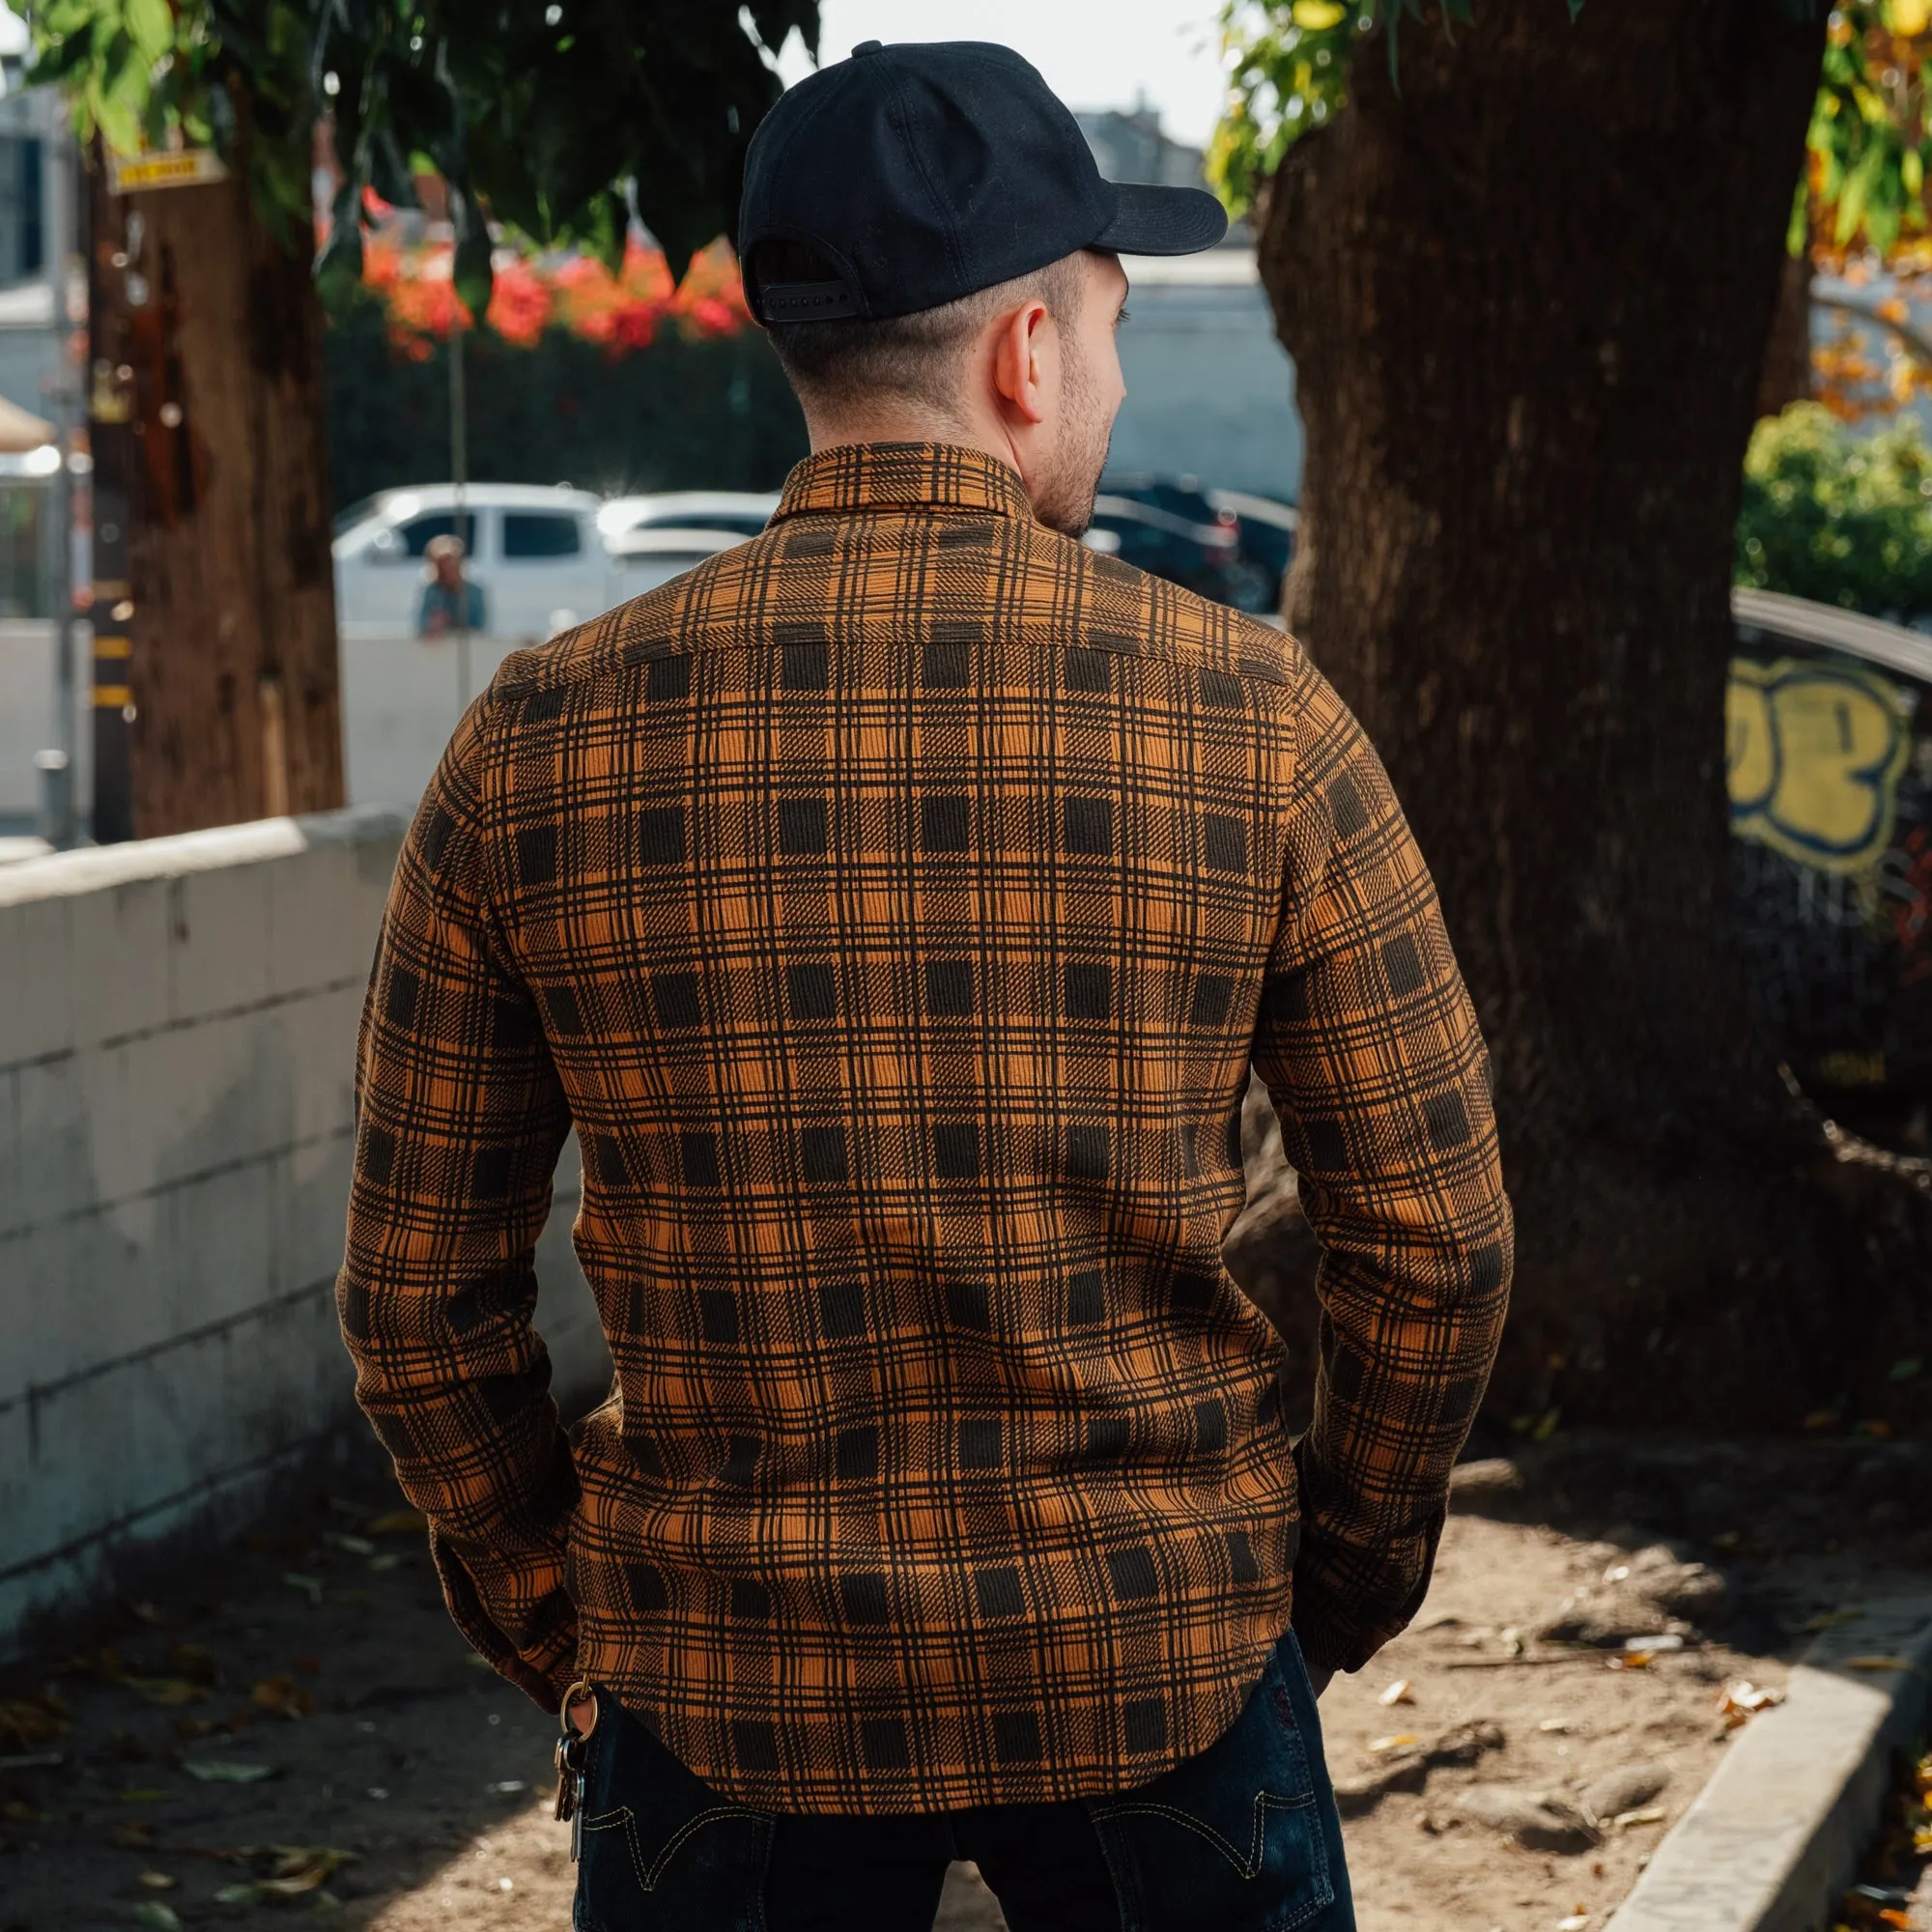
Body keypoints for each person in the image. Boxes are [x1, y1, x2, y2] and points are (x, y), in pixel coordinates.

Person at [337, 39, 1511, 1932]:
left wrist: (571, 1616)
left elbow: (413, 1301)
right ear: (1026, 354)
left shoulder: (536, 742)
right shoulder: (1255, 718)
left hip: (720, 1685)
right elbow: (1434, 1237)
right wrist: (1327, 1582)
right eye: (1111, 327)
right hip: (1159, 1661)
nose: (1113, 382)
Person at [415, 531, 486, 637]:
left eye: (452, 565)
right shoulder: (431, 591)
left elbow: (481, 626)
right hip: (437, 647)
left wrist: (454, 625)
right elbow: (420, 624)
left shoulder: (474, 592)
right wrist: (433, 625)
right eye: (442, 565)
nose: (448, 569)